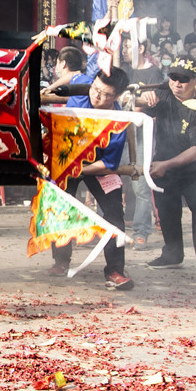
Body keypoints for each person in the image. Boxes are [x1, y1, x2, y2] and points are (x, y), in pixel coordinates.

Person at [136, 57, 196, 289]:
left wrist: (165, 164)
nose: (177, 83)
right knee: (167, 213)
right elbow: (137, 112)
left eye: (184, 79)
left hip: (192, 171)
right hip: (163, 166)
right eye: (173, 77)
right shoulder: (164, 92)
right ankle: (172, 254)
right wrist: (143, 99)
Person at [48, 67, 136, 290]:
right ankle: (61, 259)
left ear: (116, 96)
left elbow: (109, 164)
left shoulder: (117, 120)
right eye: (95, 89)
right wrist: (51, 87)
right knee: (59, 204)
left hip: (96, 167)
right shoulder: (83, 88)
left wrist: (80, 169)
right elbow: (73, 74)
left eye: (105, 94)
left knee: (114, 211)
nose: (96, 96)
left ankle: (115, 270)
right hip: (66, 158)